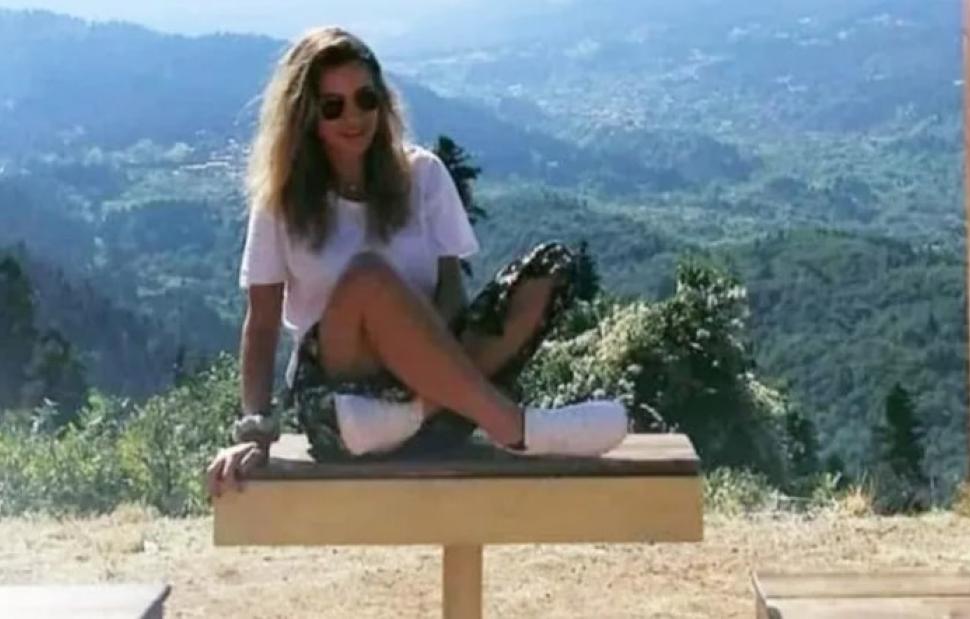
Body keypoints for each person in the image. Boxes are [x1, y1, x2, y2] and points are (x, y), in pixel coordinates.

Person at [207, 27, 627, 497]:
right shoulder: (281, 203)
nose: (354, 116)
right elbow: (262, 324)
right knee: (367, 279)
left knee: (548, 270)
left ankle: (410, 414)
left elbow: (451, 291)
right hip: (337, 395)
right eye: (333, 106)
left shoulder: (423, 175)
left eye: (366, 98)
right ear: (305, 115)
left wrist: (425, 359)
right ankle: (514, 426)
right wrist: (254, 429)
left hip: (417, 384)